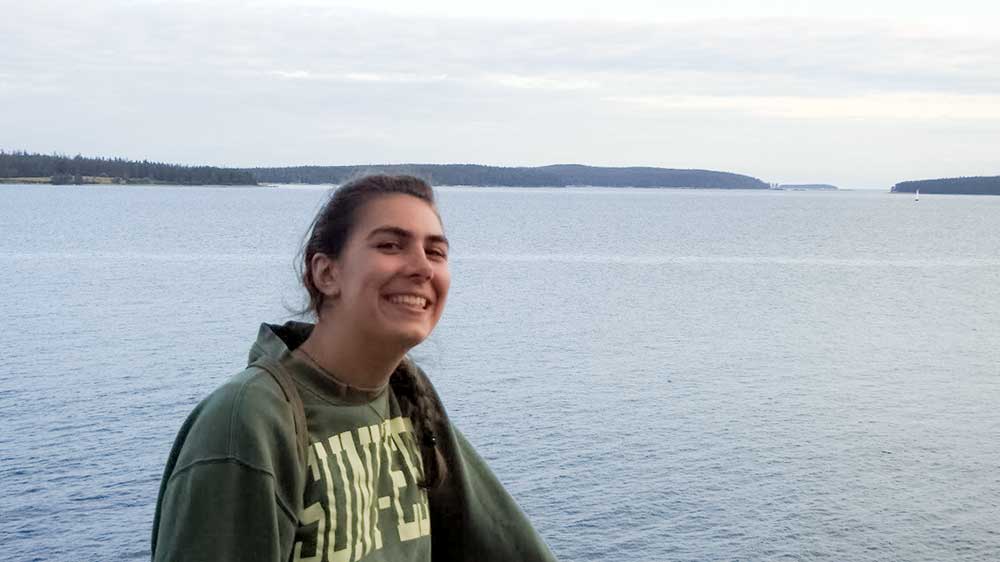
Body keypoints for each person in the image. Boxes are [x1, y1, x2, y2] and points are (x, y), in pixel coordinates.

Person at [151, 174, 557, 562]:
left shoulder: (406, 393)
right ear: (327, 273)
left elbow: (502, 540)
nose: (423, 268)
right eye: (390, 245)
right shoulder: (248, 421)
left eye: (435, 252)